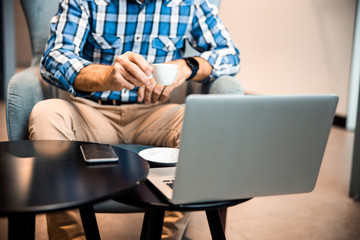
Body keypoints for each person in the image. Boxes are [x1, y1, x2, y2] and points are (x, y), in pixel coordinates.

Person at [30, 0, 242, 239]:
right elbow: (53, 58)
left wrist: (187, 66)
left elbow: (231, 55)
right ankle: (71, 236)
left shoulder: (191, 3)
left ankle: (166, 237)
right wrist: (107, 76)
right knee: (46, 114)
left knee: (205, 122)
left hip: (155, 114)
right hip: (91, 112)